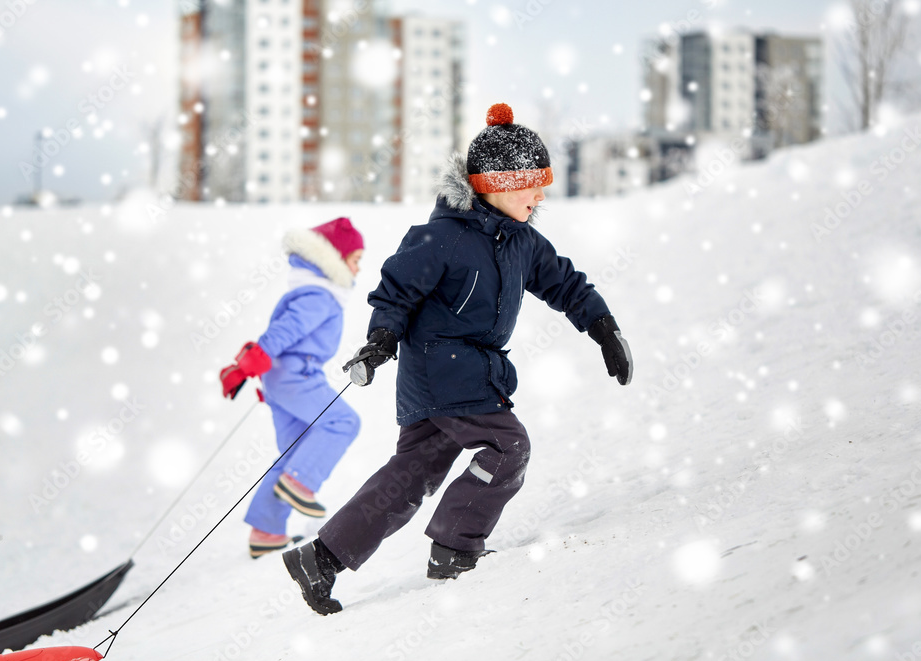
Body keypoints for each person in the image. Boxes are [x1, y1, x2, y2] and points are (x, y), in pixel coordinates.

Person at [281, 103, 632, 614]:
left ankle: (323, 557)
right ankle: (455, 547)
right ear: (493, 184)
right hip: (443, 368)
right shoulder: (440, 237)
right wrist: (380, 341)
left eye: (543, 184)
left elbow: (565, 282)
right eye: (530, 184)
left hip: (457, 374)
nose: (539, 195)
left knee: (411, 474)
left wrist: (603, 326)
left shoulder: (522, 242)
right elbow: (395, 293)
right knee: (507, 448)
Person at [219, 217, 364, 558]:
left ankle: (266, 531)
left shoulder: (312, 289)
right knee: (343, 422)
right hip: (295, 375)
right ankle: (300, 483)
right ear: (336, 259)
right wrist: (256, 356)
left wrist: (255, 364)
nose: (358, 269)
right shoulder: (320, 294)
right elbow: (288, 329)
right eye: (355, 260)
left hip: (281, 377)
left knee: (296, 449)